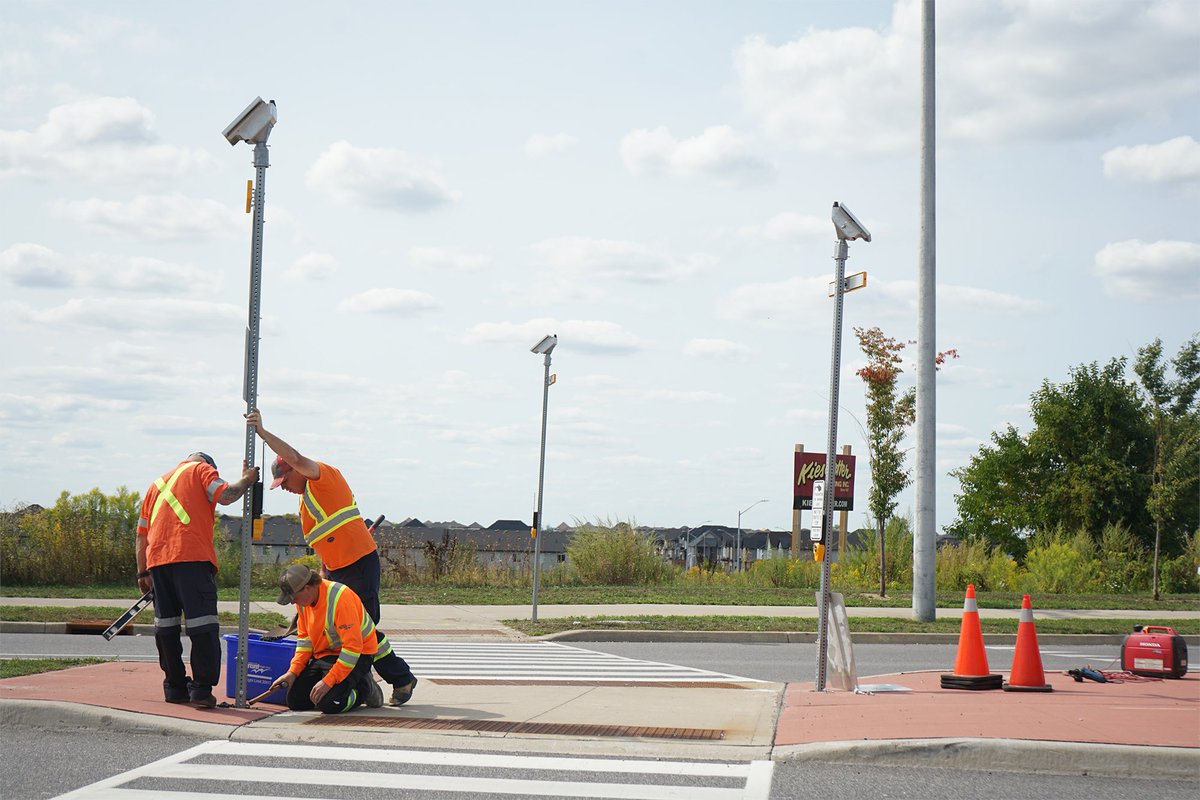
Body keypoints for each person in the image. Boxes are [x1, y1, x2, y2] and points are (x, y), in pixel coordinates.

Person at [245, 408, 418, 706]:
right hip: (338, 570)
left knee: (364, 630)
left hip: (359, 564)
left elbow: (296, 457)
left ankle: (396, 679)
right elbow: (326, 541)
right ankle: (378, 679)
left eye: (284, 481)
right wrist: (323, 576)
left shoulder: (323, 478)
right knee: (351, 631)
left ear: (295, 471)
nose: (283, 488)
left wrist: (263, 432)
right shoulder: (305, 504)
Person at [135, 451, 258, 707]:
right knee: (202, 626)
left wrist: (143, 572)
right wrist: (247, 480)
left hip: (158, 563)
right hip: (191, 558)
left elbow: (141, 536)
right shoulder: (201, 471)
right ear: (209, 464)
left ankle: (174, 687)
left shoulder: (157, 484)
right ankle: (201, 690)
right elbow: (224, 495)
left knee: (166, 628)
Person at [265, 564, 384, 713]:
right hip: (327, 654)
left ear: (307, 588)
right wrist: (292, 672)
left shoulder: (341, 598)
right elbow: (304, 640)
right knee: (296, 702)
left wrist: (329, 681)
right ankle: (340, 687)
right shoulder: (304, 602)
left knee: (330, 703)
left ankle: (364, 689)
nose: (292, 602)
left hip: (358, 655)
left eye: (293, 597)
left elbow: (352, 648)